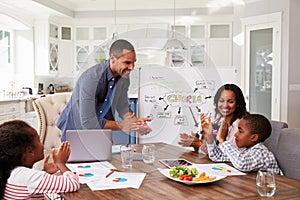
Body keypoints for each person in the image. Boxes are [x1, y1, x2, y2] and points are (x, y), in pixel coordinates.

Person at [57, 39, 152, 141]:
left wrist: (136, 124)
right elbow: (88, 122)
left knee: (110, 156)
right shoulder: (92, 78)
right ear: (112, 59)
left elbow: (122, 105)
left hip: (100, 131)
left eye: (134, 63)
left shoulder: (123, 76)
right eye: (127, 62)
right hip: (76, 131)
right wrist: (122, 126)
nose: (132, 67)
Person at [0, 120, 80, 199]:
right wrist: (60, 163)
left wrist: (44, 173)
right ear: (30, 151)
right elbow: (72, 184)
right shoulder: (27, 176)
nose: (42, 145)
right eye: (39, 140)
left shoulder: (14, 172)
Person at [178, 84, 249, 152]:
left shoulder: (239, 125)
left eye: (231, 102)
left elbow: (227, 156)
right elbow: (208, 152)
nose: (225, 105)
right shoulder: (219, 121)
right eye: (221, 101)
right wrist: (197, 142)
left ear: (238, 104)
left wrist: (199, 144)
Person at [205, 114, 282, 174]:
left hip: (274, 191)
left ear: (254, 137)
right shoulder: (245, 151)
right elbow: (216, 156)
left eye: (240, 131)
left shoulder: (262, 153)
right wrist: (209, 135)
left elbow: (241, 164)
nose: (235, 135)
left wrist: (222, 140)